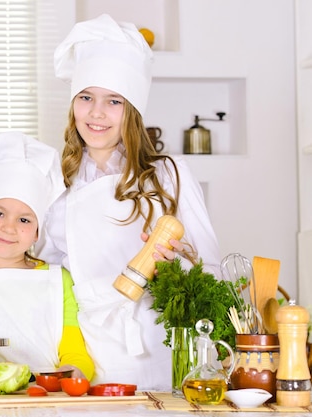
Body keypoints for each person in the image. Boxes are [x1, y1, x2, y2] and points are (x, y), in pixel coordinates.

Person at [35, 14, 221, 390]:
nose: (97, 113)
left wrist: (181, 261)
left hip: (163, 343)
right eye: (85, 97)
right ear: (73, 106)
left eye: (113, 101)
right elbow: (50, 283)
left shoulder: (170, 176)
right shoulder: (56, 186)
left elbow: (212, 272)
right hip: (89, 352)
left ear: (132, 111)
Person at [0, 131, 94, 380]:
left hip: (44, 397)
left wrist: (73, 373)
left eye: (24, 219)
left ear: (37, 232)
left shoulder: (60, 280)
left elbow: (74, 349)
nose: (9, 227)